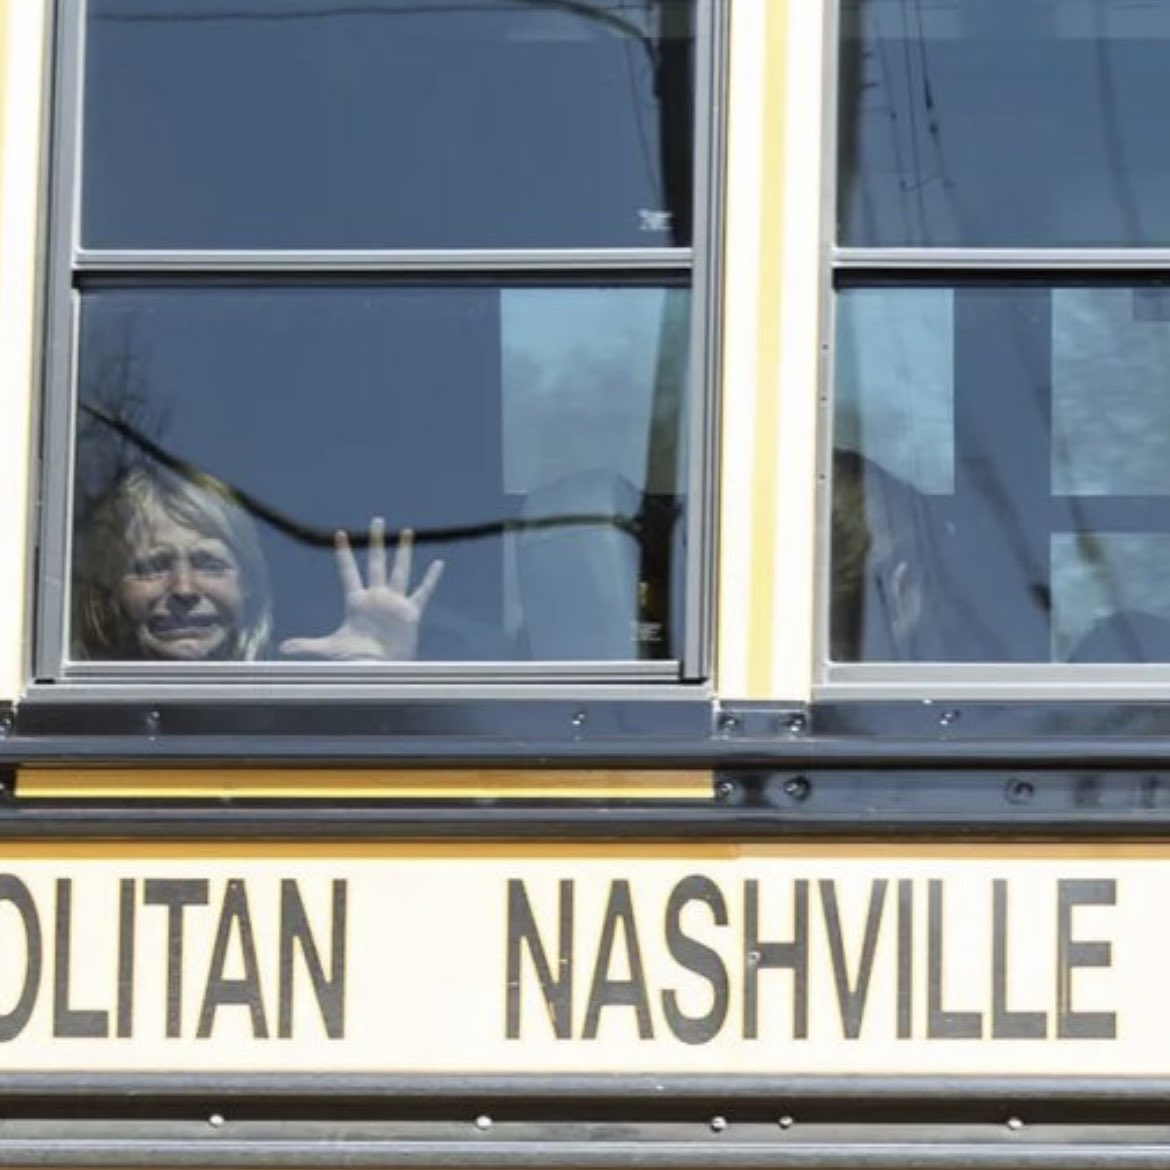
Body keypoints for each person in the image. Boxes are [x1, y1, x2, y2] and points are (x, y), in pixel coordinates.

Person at [72, 465, 443, 662]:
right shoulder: (71, 703)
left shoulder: (292, 701)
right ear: (110, 590)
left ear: (247, 585)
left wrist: (374, 671)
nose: (184, 588)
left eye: (210, 563)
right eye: (153, 566)